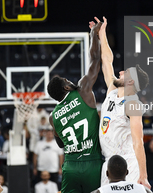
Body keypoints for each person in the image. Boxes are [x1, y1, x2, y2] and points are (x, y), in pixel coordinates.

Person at [89, 16, 150, 188]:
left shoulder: (133, 104)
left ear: (131, 82)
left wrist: (143, 176)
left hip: (128, 163)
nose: (121, 72)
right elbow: (107, 61)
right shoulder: (113, 91)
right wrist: (102, 34)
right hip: (109, 163)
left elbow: (139, 142)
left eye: (125, 73)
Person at [47, 21, 103, 193]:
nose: (70, 81)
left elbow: (60, 143)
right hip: (92, 162)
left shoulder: (53, 117)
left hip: (70, 165)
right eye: (66, 80)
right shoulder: (83, 90)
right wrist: (94, 33)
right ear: (66, 87)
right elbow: (95, 60)